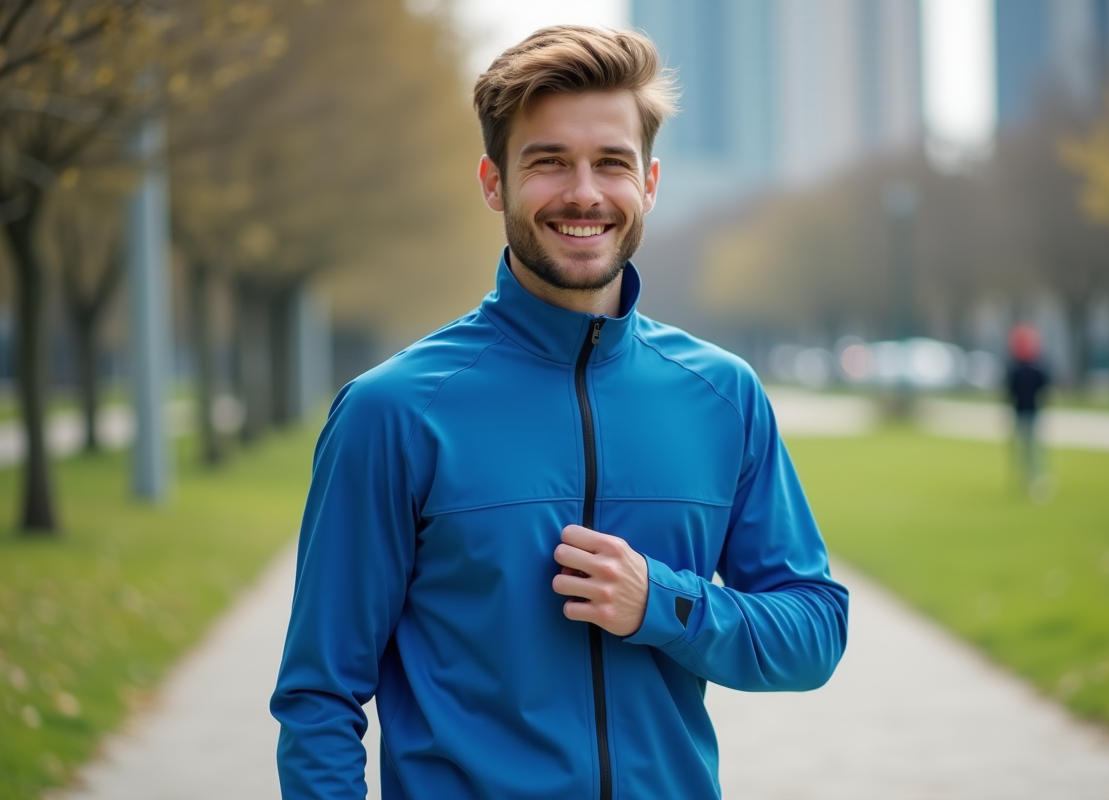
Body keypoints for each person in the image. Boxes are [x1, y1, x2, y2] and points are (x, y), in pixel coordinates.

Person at [271, 25, 849, 800]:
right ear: (493, 182)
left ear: (647, 182)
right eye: (548, 162)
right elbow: (320, 699)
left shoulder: (723, 395)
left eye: (611, 162)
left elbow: (813, 632)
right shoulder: (394, 412)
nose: (584, 193)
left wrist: (664, 603)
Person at [1005, 322, 1052, 498]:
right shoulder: (1015, 368)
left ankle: (1037, 477)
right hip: (1020, 412)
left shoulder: (1036, 369)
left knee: (1034, 447)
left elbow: (1045, 389)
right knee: (1023, 448)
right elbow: (1009, 391)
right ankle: (1025, 477)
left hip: (1033, 412)